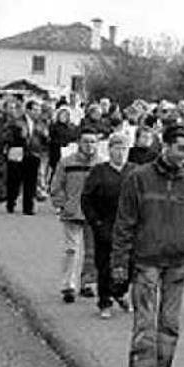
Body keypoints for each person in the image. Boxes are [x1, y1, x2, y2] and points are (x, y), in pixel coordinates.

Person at [110, 125, 184, 367]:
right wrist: (119, 264)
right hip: (146, 261)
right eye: (181, 148)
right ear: (165, 146)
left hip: (177, 262)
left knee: (170, 324)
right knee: (145, 325)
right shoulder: (138, 179)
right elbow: (124, 223)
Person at [80, 134, 135, 319]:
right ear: (109, 150)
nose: (120, 153)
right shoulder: (99, 171)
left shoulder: (134, 172)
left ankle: (119, 291)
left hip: (128, 227)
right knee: (104, 265)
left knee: (130, 264)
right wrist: (95, 222)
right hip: (105, 223)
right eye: (117, 148)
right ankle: (105, 301)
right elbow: (87, 198)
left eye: (124, 149)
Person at [51, 127, 104, 302]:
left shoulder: (101, 164)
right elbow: (57, 186)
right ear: (79, 143)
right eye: (86, 141)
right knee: (71, 250)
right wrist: (61, 205)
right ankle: (68, 285)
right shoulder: (67, 163)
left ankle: (87, 283)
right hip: (72, 212)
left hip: (94, 214)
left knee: (92, 252)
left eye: (93, 142)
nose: (89, 145)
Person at [3, 100, 47, 215]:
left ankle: (28, 207)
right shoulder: (16, 121)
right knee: (14, 181)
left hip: (34, 154)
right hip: (18, 153)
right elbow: (7, 135)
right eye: (35, 110)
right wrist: (17, 138)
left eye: (39, 110)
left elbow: (45, 138)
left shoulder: (41, 123)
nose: (37, 112)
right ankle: (11, 202)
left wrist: (44, 137)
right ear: (28, 110)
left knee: (31, 182)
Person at [48, 106, 77, 185]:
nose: (64, 117)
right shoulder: (53, 126)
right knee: (56, 170)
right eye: (62, 115)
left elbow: (74, 138)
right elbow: (51, 138)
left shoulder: (71, 127)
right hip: (56, 151)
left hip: (68, 151)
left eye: (66, 115)